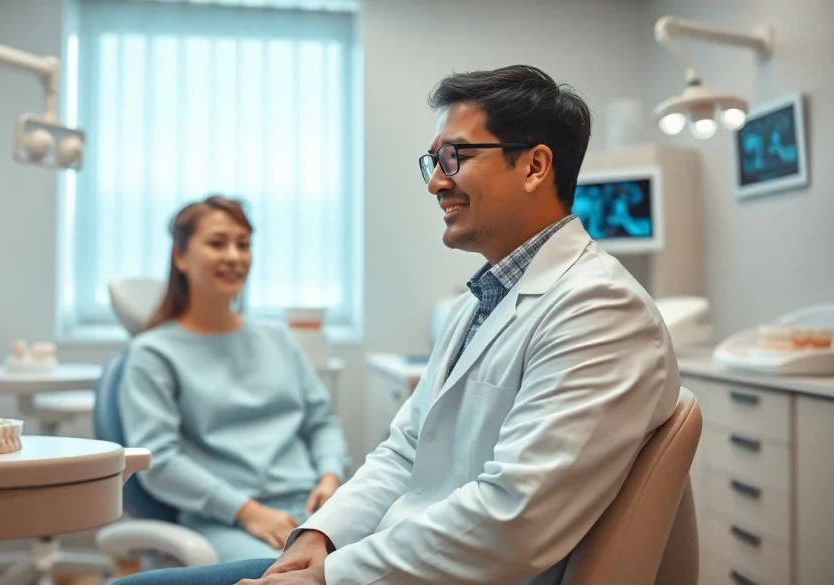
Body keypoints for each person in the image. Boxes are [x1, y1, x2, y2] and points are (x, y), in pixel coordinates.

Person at [115, 64, 681, 585]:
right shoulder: (478, 303)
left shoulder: (598, 310)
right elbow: (406, 449)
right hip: (388, 557)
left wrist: (332, 574)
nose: (436, 182)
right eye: (434, 162)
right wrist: (322, 534)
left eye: (455, 157)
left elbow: (515, 517)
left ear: (534, 165)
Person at [118, 195, 348, 564]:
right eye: (217, 243)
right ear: (180, 256)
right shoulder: (153, 353)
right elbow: (159, 461)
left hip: (313, 509)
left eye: (243, 245)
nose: (234, 257)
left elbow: (321, 421)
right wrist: (247, 512)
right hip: (225, 521)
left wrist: (330, 476)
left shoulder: (278, 340)